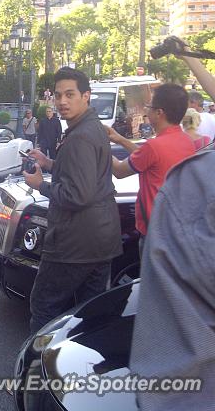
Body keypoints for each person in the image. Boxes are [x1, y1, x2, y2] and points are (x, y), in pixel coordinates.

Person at [22, 67, 122, 334]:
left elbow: (78, 194)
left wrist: (40, 184)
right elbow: (83, 174)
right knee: (89, 315)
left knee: (44, 307)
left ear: (86, 96)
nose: (62, 101)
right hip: (101, 241)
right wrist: (50, 163)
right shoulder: (91, 128)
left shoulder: (80, 136)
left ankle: (36, 370)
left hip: (74, 244)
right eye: (58, 95)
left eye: (70, 94)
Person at [129, 147, 215, 411]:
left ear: (157, 112)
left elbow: (175, 383)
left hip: (155, 235)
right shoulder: (188, 145)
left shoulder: (194, 181)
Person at [107, 83, 195, 256]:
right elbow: (149, 159)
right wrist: (120, 140)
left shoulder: (154, 146)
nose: (147, 110)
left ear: (159, 113)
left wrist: (99, 145)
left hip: (154, 232)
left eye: (149, 106)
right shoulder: (185, 141)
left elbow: (118, 170)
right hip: (176, 227)